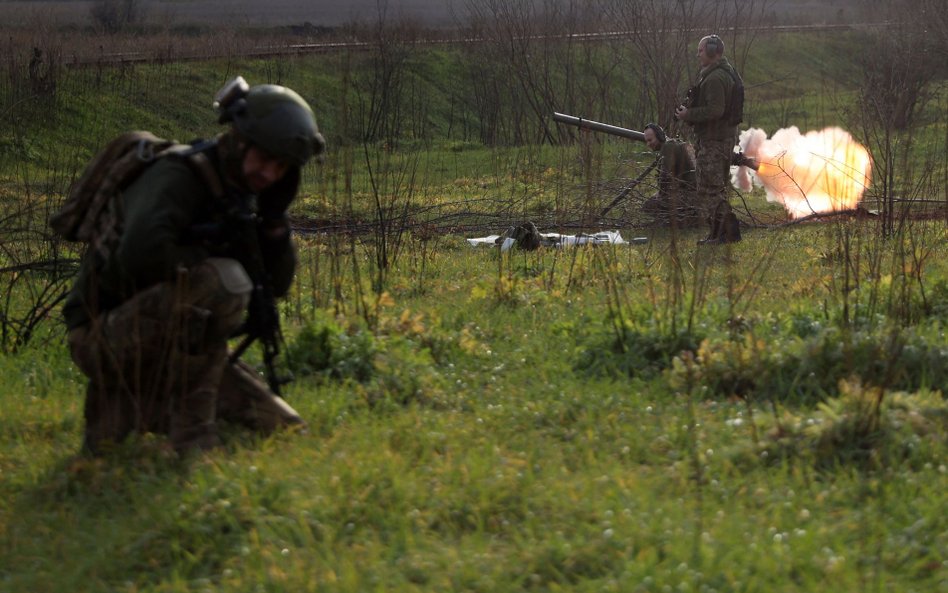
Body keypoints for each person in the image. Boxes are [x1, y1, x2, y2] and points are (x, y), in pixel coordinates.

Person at [62, 78, 326, 455]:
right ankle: (191, 438)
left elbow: (277, 286)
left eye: (281, 167)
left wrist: (274, 227)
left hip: (175, 340)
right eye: (265, 158)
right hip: (100, 335)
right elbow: (137, 257)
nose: (269, 173)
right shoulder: (180, 175)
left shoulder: (242, 198)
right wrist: (209, 254)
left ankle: (145, 406)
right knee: (224, 281)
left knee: (284, 430)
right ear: (239, 140)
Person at [675, 34, 742, 244]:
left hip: (714, 141)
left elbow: (716, 110)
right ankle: (718, 232)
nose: (698, 54)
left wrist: (689, 115)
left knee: (708, 189)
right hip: (722, 139)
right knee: (714, 188)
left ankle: (727, 233)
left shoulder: (714, 78)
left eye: (701, 50)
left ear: (713, 52)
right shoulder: (725, 72)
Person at [641, 123, 698, 225]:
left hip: (691, 195)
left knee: (650, 205)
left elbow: (665, 178)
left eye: (650, 140)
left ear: (659, 137)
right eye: (647, 141)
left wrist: (660, 196)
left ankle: (686, 219)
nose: (648, 144)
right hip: (694, 193)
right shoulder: (672, 144)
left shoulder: (668, 147)